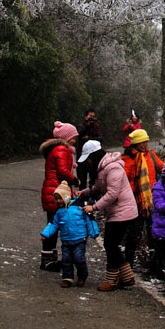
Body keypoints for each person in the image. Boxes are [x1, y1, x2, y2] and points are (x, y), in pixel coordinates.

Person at [77, 139, 138, 291]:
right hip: (116, 212)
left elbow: (112, 193)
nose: (88, 163)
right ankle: (127, 276)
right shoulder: (102, 169)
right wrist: (84, 193)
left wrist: (94, 207)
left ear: (94, 156)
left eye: (89, 159)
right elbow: (98, 187)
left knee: (110, 244)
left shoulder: (113, 168)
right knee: (112, 244)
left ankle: (111, 280)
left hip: (123, 211)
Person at [40, 180, 99, 288]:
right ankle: (67, 278)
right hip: (66, 240)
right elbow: (53, 224)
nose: (58, 201)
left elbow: (89, 219)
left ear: (66, 197)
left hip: (80, 238)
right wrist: (45, 234)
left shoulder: (79, 207)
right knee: (66, 259)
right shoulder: (59, 212)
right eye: (56, 199)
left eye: (60, 198)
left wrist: (94, 232)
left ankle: (82, 274)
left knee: (79, 257)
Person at [39, 121, 80, 271]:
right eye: (72, 137)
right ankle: (47, 261)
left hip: (54, 191)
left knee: (54, 225)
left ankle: (50, 258)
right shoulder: (62, 150)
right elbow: (63, 171)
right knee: (54, 226)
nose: (74, 140)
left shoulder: (57, 149)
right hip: (56, 193)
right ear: (65, 138)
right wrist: (75, 180)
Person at [120, 129, 153, 268]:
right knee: (134, 233)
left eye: (146, 141)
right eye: (142, 142)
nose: (145, 144)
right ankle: (128, 262)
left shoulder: (149, 155)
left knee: (151, 231)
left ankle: (153, 263)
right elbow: (122, 180)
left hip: (147, 201)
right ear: (135, 144)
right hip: (133, 201)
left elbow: (162, 166)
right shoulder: (126, 160)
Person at [77, 109, 102, 188]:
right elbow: (80, 134)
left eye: (93, 116)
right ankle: (82, 194)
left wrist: (89, 138)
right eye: (90, 116)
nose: (92, 118)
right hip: (82, 153)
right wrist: (87, 125)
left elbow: (100, 138)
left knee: (94, 177)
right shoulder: (81, 125)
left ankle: (93, 193)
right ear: (85, 117)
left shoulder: (96, 126)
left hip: (93, 155)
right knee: (82, 177)